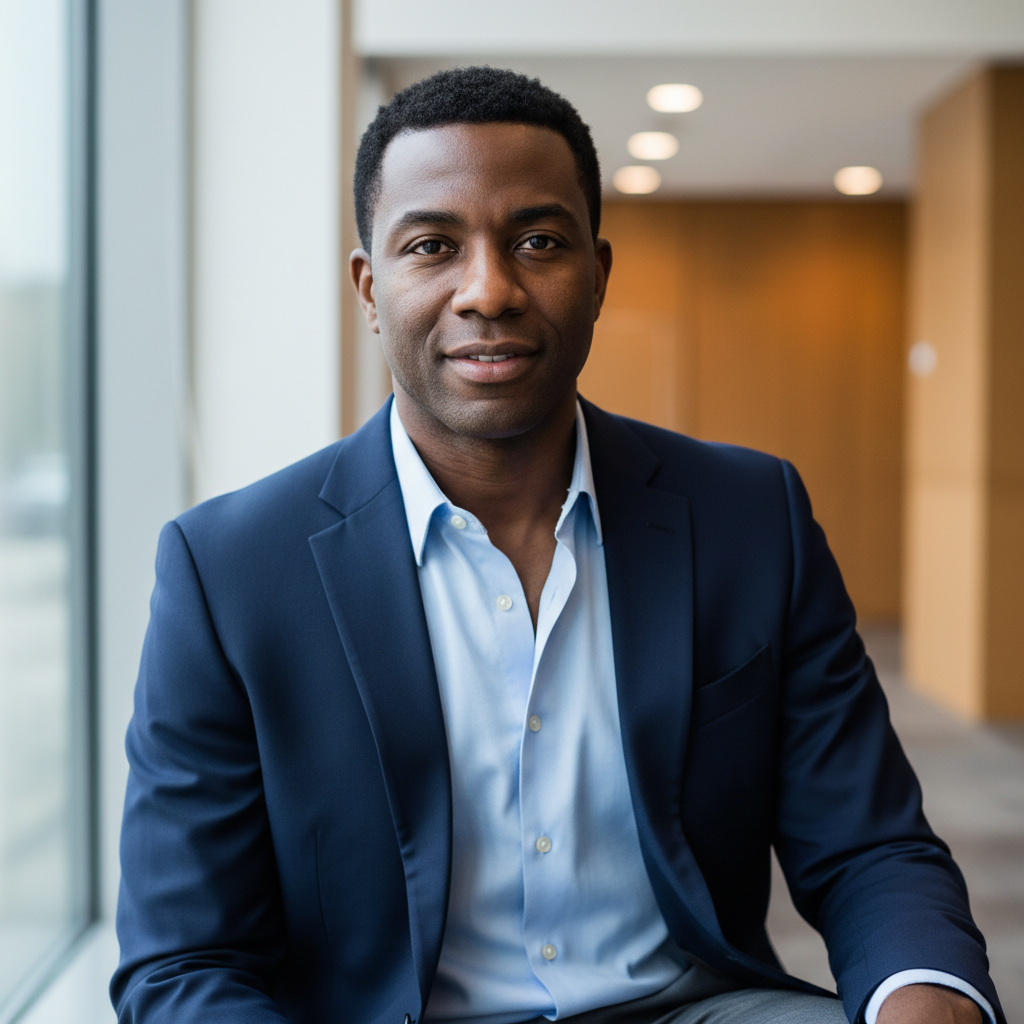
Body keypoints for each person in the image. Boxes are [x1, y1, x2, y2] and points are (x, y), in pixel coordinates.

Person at [112, 68, 1002, 1024]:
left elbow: (869, 845)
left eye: (536, 241)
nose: (488, 290)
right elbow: (185, 963)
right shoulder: (230, 571)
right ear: (371, 289)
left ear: (598, 274)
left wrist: (924, 993)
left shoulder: (751, 514)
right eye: (433, 246)